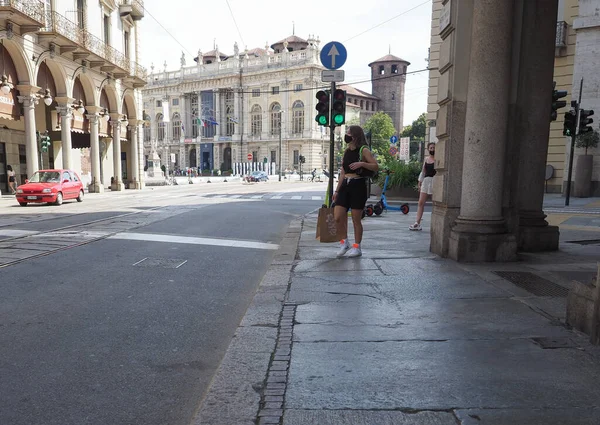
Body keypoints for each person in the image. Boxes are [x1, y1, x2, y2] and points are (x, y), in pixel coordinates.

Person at [333, 125, 379, 258]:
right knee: (338, 216)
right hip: (345, 185)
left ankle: (357, 246)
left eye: (349, 133)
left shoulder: (363, 150)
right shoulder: (347, 151)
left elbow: (375, 166)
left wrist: (362, 164)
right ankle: (344, 242)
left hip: (358, 185)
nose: (347, 135)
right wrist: (336, 191)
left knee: (355, 218)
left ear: (355, 136)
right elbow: (342, 172)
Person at [409, 142, 436, 231]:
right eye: (431, 148)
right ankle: (417, 222)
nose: (432, 149)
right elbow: (423, 171)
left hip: (434, 181)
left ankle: (436, 223)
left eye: (433, 148)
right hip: (426, 181)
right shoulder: (426, 159)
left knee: (436, 203)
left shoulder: (438, 159)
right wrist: (420, 182)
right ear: (428, 149)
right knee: (420, 202)